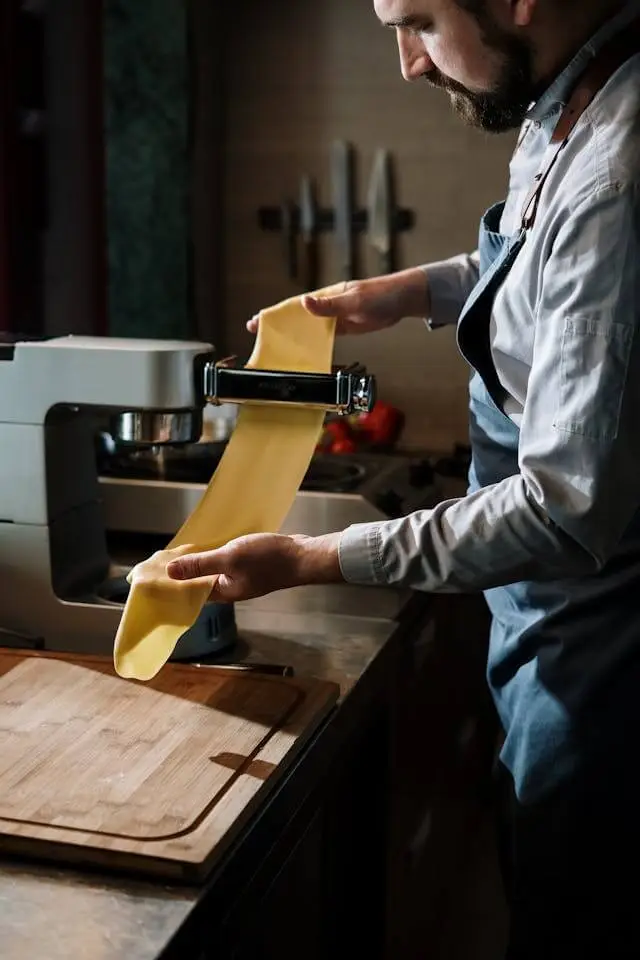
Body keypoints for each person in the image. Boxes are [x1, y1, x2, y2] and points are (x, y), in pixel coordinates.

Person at [168, 1, 640, 955]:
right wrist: (403, 292)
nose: (408, 64)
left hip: (605, 671)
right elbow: (534, 272)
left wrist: (310, 557)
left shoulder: (621, 177)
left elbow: (561, 508)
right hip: (547, 630)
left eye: (419, 20)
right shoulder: (570, 99)